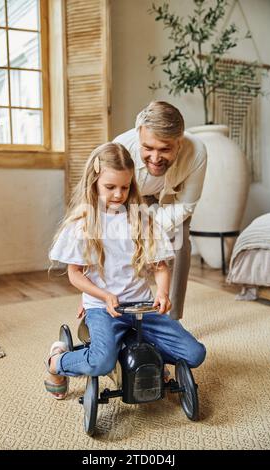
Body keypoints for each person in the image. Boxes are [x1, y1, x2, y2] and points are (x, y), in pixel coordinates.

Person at [44, 142, 206, 399]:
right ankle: (58, 361)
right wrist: (102, 296)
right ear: (94, 181)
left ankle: (146, 356)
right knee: (101, 361)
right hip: (103, 307)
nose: (119, 194)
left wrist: (163, 293)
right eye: (110, 187)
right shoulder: (82, 223)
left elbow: (160, 267)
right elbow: (75, 274)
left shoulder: (141, 219)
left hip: (140, 306)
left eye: (125, 186)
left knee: (195, 353)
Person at [113, 101, 207, 320]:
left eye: (165, 149)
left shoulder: (197, 151)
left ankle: (171, 318)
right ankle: (114, 311)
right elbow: (108, 196)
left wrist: (152, 230)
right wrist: (131, 230)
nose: (155, 158)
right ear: (139, 135)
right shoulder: (120, 147)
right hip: (129, 197)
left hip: (171, 201)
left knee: (180, 242)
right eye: (148, 148)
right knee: (115, 242)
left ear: (179, 142)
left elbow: (187, 204)